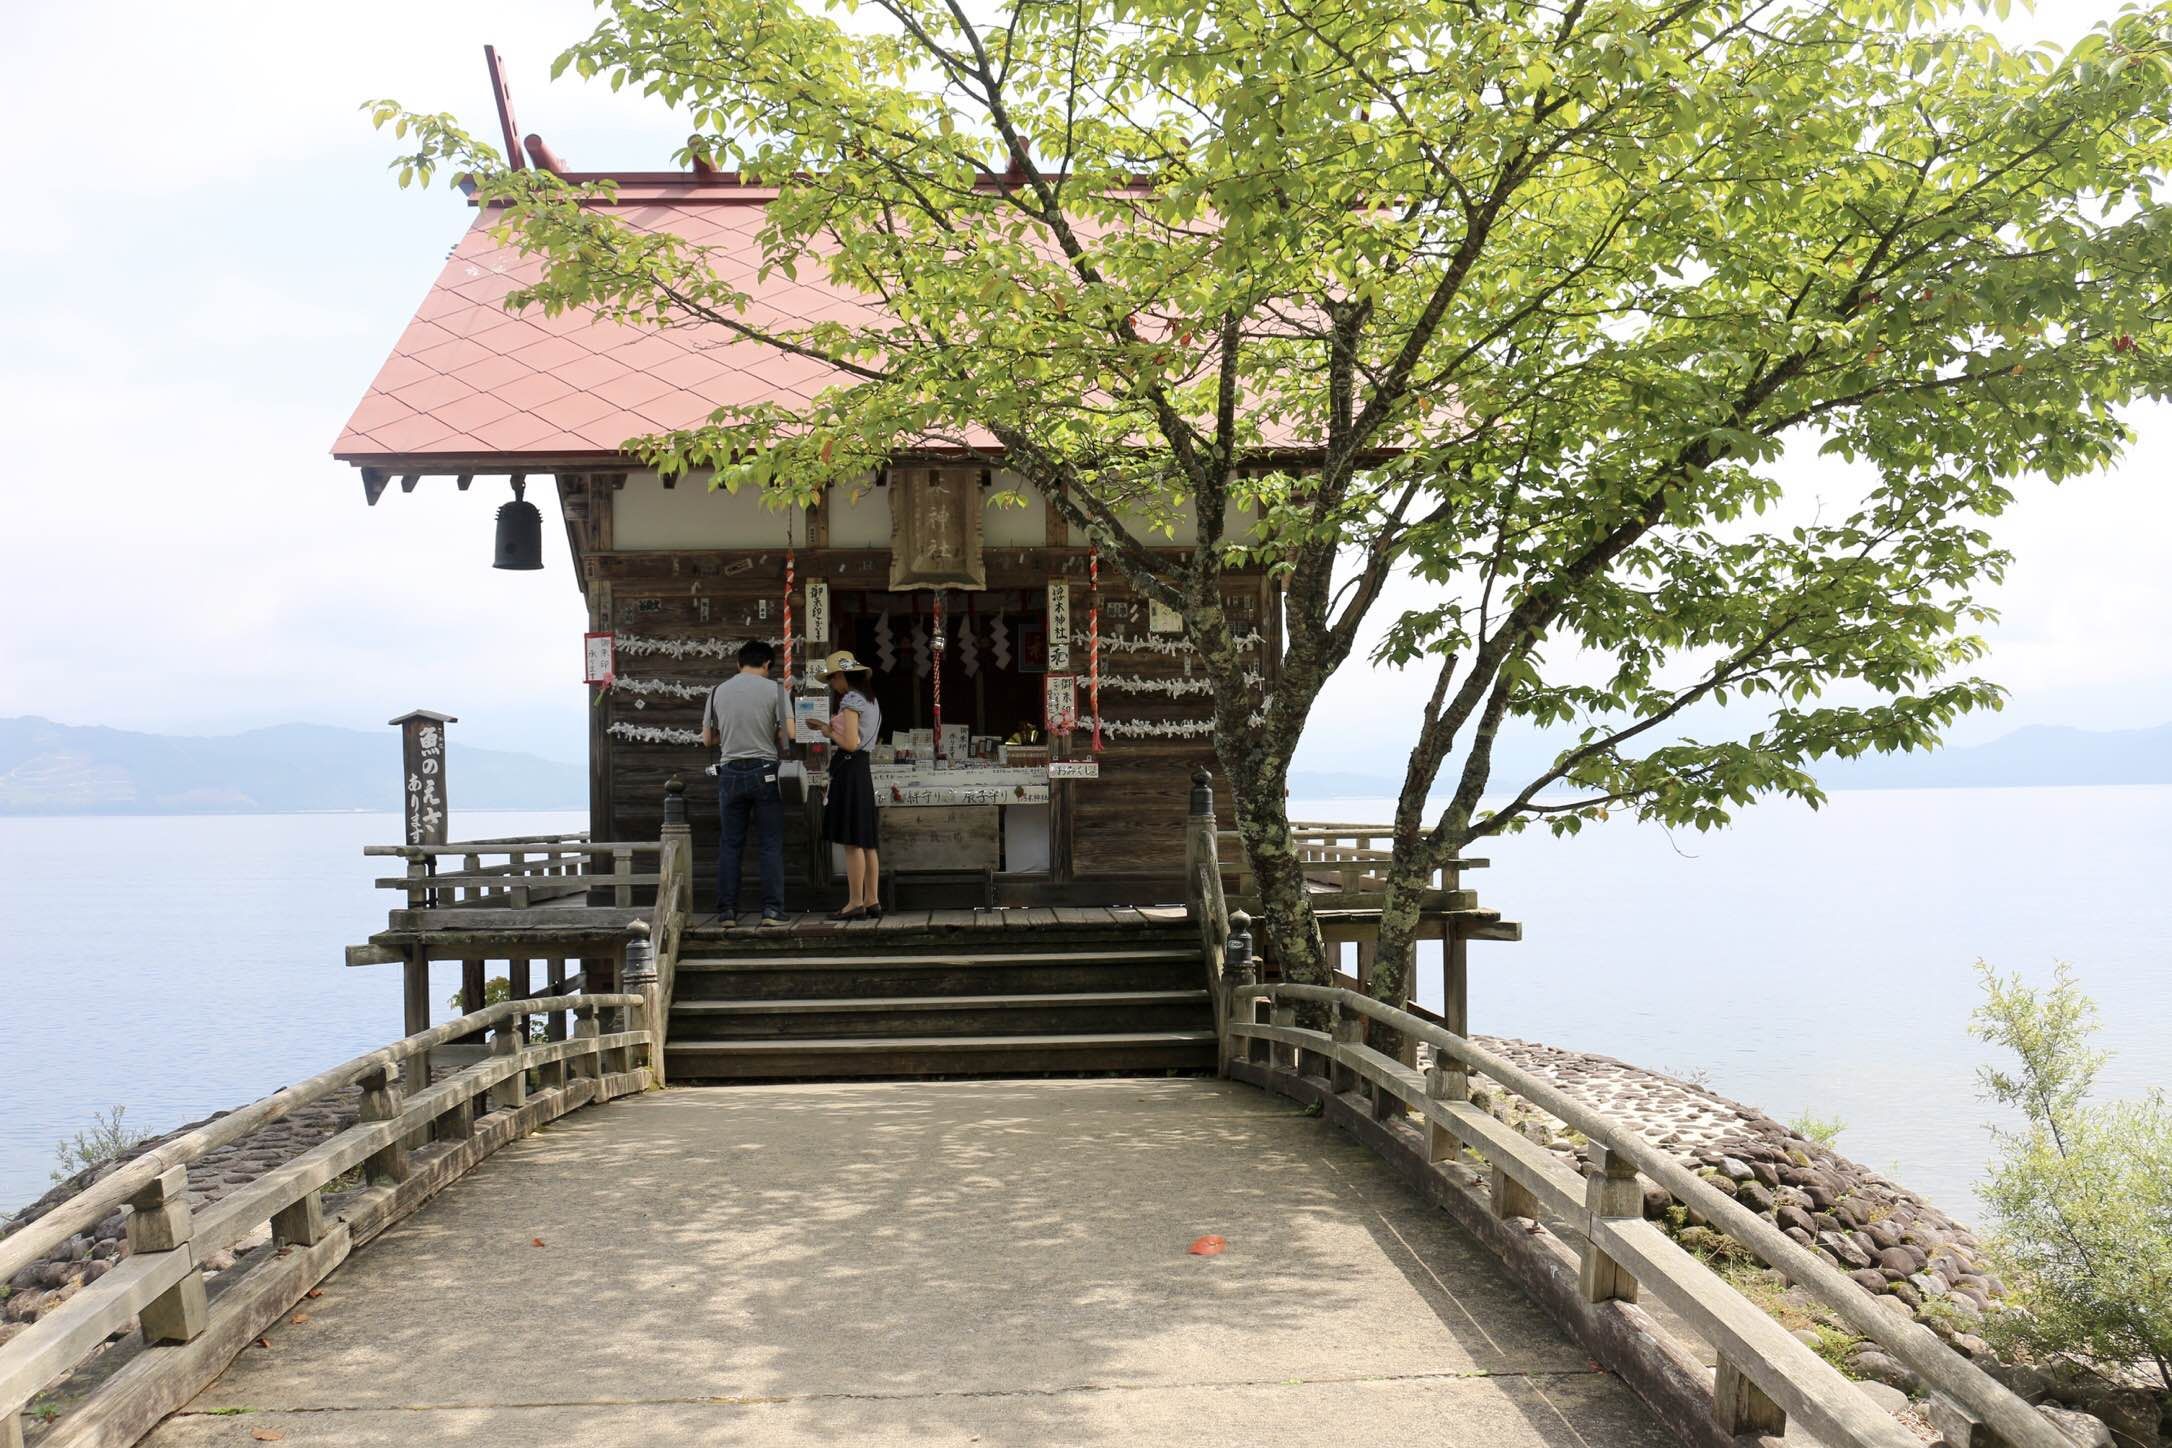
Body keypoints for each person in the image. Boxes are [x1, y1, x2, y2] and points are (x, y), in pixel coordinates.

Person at [700, 639, 793, 928]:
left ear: (739, 663)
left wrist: (727, 736)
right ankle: (771, 911)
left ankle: (727, 912)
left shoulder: (717, 691)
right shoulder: (775, 690)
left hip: (729, 773)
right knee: (769, 844)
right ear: (766, 664)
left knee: (730, 844)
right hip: (764, 770)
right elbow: (788, 734)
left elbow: (706, 739)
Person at [808, 649, 882, 920]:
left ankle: (854, 902)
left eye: (831, 680)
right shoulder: (870, 699)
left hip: (849, 768)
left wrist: (828, 732)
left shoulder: (851, 699)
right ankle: (872, 899)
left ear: (841, 675)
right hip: (862, 768)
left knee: (852, 841)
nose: (832, 686)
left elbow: (850, 742)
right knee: (867, 840)